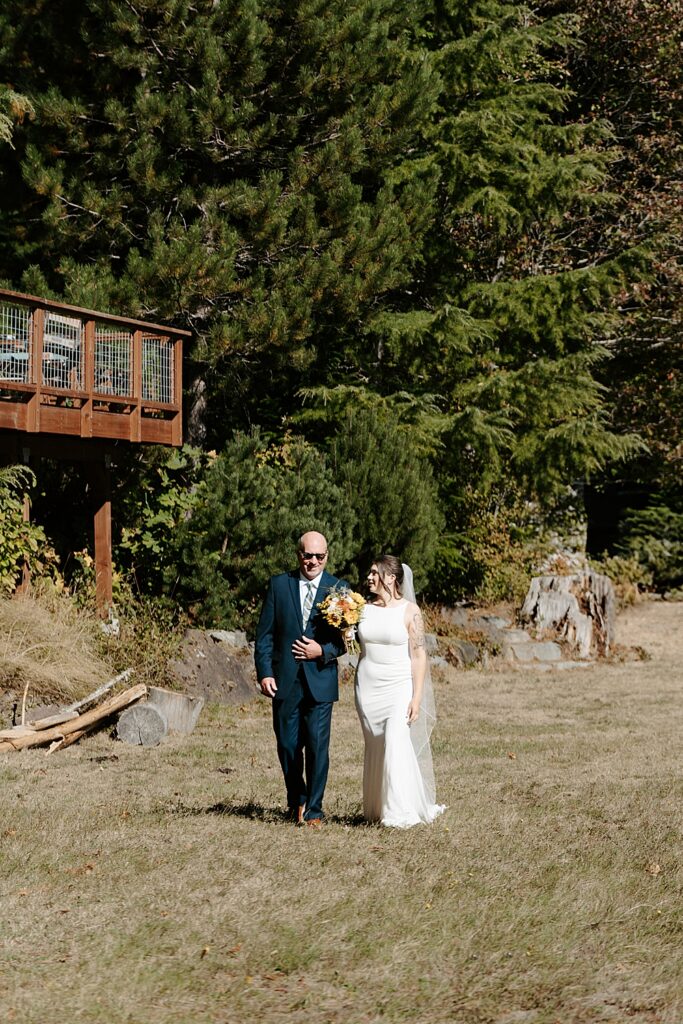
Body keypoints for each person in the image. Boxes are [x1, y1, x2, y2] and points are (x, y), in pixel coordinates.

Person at [255, 531, 347, 828]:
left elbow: (345, 642)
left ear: (327, 556)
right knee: (287, 745)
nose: (313, 561)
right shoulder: (279, 585)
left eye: (319, 556)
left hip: (320, 681)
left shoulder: (339, 589)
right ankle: (297, 799)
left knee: (317, 747)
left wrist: (322, 650)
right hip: (285, 680)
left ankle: (314, 811)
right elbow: (264, 635)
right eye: (308, 555)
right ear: (299, 555)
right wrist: (265, 672)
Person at [355, 555, 446, 828]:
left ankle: (399, 811)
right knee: (377, 745)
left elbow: (419, 655)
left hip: (398, 686)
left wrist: (416, 697)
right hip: (367, 687)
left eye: (375, 573)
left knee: (395, 739)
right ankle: (377, 807)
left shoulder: (410, 611)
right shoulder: (361, 608)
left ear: (391, 577)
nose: (369, 577)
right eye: (370, 572)